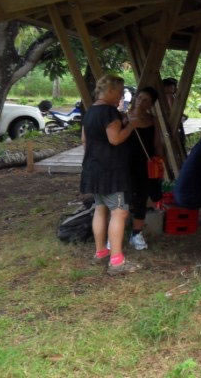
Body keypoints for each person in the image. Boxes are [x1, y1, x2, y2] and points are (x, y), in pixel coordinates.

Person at [81, 74, 141, 275]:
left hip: (93, 167)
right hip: (111, 170)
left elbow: (84, 140)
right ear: (112, 91)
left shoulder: (91, 111)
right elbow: (115, 139)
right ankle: (117, 262)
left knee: (100, 208)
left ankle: (101, 252)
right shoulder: (109, 112)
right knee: (119, 212)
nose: (121, 96)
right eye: (120, 91)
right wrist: (131, 125)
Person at [126, 86, 164, 251]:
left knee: (141, 197)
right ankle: (117, 232)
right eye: (140, 97)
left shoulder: (152, 120)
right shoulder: (123, 117)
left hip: (145, 164)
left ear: (151, 104)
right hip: (125, 163)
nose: (141, 102)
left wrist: (160, 162)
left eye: (146, 100)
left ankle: (136, 233)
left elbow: (157, 144)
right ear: (135, 97)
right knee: (123, 198)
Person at [162, 77, 187, 151]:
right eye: (173, 86)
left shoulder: (163, 96)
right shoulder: (170, 96)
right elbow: (174, 110)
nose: (175, 88)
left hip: (167, 123)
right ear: (167, 87)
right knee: (179, 143)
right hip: (175, 123)